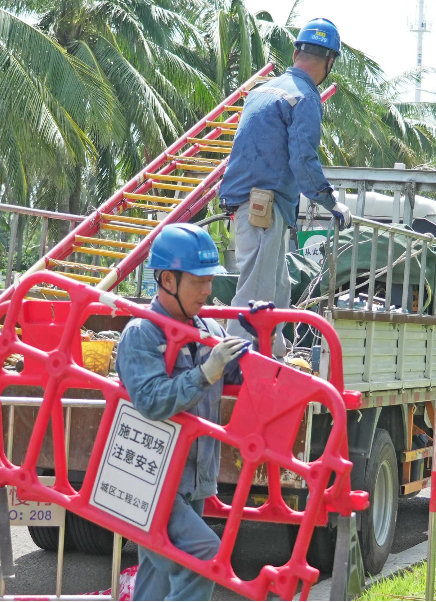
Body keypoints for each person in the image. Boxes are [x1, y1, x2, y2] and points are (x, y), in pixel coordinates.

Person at [116, 223, 250, 601]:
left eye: (210, 280)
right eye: (198, 281)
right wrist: (207, 372)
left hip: (192, 475)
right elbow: (151, 400)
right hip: (149, 477)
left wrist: (255, 340)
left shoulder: (208, 327)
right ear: (167, 280)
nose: (208, 290)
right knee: (201, 556)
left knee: (158, 575)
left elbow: (237, 375)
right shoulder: (142, 333)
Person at [220, 18, 352, 357]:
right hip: (263, 205)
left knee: (277, 287)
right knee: (256, 290)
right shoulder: (305, 97)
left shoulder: (263, 89)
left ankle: (275, 352)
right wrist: (330, 202)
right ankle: (236, 362)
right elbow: (303, 160)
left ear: (295, 52)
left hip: (248, 202)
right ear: (329, 63)